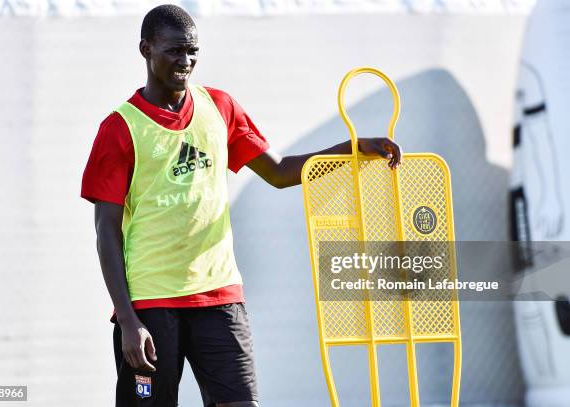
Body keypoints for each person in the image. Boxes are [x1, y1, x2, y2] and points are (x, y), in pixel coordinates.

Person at [81, 4, 402, 407]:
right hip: (150, 305)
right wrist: (128, 321)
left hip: (219, 297)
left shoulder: (220, 107)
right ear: (146, 49)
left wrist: (352, 150)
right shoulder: (119, 128)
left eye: (193, 51)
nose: (186, 61)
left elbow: (281, 172)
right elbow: (105, 232)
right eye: (174, 51)